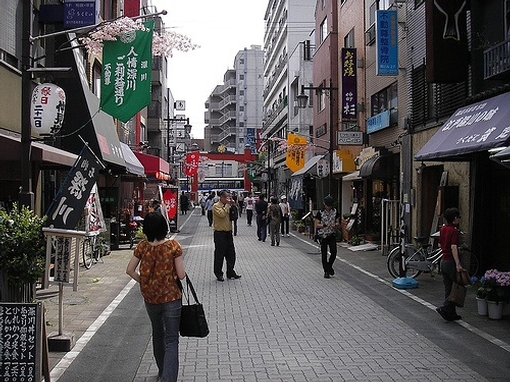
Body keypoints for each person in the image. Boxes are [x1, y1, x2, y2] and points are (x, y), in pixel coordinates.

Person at [126, 212, 186, 382]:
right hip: (172, 298)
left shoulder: (142, 247)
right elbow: (181, 275)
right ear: (164, 227)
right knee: (172, 339)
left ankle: (162, 370)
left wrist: (144, 282)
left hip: (150, 298)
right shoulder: (173, 246)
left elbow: (129, 270)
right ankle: (168, 377)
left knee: (158, 333)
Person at [436, 207, 464, 321]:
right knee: (457, 286)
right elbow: (453, 247)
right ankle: (445, 307)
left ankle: (451, 313)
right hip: (450, 262)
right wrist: (458, 264)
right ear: (455, 218)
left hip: (443, 260)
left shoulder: (443, 229)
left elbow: (439, 244)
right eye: (458, 218)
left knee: (448, 287)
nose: (459, 220)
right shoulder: (454, 231)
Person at [212, 190, 241, 281]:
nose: (229, 199)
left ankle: (230, 272)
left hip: (228, 232)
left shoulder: (229, 205)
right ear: (222, 198)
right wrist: (228, 205)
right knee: (219, 254)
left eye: (230, 197)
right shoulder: (216, 206)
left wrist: (233, 206)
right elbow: (222, 214)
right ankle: (218, 273)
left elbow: (234, 216)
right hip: (219, 233)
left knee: (231, 253)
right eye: (227, 197)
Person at [314, 195, 341, 278]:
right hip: (323, 236)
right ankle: (326, 271)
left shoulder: (335, 212)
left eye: (330, 205)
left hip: (332, 234)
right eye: (327, 205)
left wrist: (335, 225)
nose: (329, 207)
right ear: (324, 204)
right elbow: (316, 224)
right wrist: (324, 225)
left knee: (334, 252)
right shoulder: (320, 213)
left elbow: (338, 224)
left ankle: (329, 266)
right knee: (324, 254)